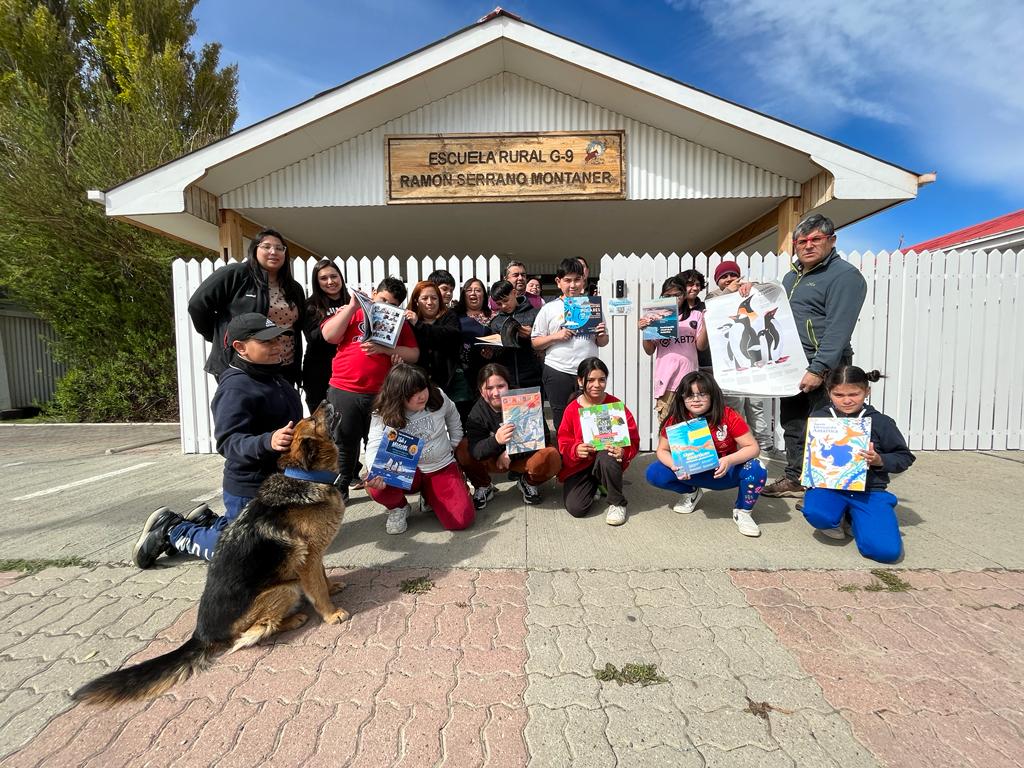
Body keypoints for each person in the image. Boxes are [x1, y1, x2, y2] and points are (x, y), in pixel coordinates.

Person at [132, 313, 302, 568]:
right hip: (250, 487)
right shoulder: (236, 387)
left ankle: (208, 523)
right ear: (240, 347)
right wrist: (268, 441)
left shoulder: (274, 375)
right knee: (244, 558)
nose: (278, 346)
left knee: (279, 545)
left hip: (278, 482)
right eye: (267, 342)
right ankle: (173, 530)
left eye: (278, 340)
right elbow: (229, 442)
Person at [747, 214, 868, 498]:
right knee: (794, 424)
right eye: (802, 241)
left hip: (824, 367)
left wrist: (819, 368)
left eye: (816, 239)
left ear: (831, 241)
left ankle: (826, 491)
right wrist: (750, 290)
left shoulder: (844, 277)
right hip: (792, 365)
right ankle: (796, 477)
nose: (808, 246)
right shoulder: (792, 277)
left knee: (827, 428)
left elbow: (839, 329)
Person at [801, 366, 915, 562]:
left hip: (870, 490)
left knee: (886, 553)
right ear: (829, 393)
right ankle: (839, 517)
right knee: (816, 512)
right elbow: (809, 452)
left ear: (867, 392)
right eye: (839, 394)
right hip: (830, 487)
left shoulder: (881, 422)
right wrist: (807, 472)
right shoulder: (819, 418)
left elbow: (904, 456)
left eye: (854, 394)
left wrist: (880, 460)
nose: (846, 400)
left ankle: (861, 516)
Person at [322, 276, 419, 499]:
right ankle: (340, 487)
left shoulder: (399, 323)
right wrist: (353, 306)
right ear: (374, 292)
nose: (386, 306)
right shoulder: (353, 312)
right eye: (383, 299)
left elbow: (414, 354)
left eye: (393, 305)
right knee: (343, 441)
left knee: (383, 441)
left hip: (382, 392)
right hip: (344, 388)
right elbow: (329, 335)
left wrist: (385, 350)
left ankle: (387, 492)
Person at [645, 370, 768, 537]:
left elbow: (752, 447)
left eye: (702, 394)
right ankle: (690, 492)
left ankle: (743, 511)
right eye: (690, 395)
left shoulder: (728, 415)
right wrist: (675, 466)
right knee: (654, 472)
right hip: (692, 472)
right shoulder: (676, 419)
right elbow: (662, 450)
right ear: (682, 397)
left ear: (712, 395)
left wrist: (729, 460)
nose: (696, 399)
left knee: (756, 468)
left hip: (723, 473)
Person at [364, 364, 475, 534]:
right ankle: (398, 508)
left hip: (440, 466)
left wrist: (454, 441)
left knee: (461, 520)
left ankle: (430, 496)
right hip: (406, 470)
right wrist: (375, 470)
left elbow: (452, 414)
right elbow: (374, 443)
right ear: (398, 395)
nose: (421, 396)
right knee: (375, 486)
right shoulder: (383, 413)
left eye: (423, 388)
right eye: (412, 394)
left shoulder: (438, 396)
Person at [188, 229, 306, 384]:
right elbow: (197, 305)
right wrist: (223, 339)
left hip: (284, 366)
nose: (273, 252)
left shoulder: (294, 288)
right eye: (266, 246)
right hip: (244, 366)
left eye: (279, 248)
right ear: (255, 249)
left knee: (285, 408)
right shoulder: (235, 274)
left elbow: (297, 326)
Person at [456, 363, 562, 508]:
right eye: (489, 388)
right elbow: (476, 451)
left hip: (523, 457)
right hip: (494, 459)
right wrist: (496, 440)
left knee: (551, 455)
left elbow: (543, 436)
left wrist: (510, 453)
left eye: (500, 386)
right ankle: (483, 485)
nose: (496, 393)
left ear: (508, 385)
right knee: (463, 448)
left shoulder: (526, 400)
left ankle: (528, 482)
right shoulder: (477, 413)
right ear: (481, 391)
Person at [556, 357, 639, 525]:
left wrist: (624, 452)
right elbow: (563, 439)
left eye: (602, 380)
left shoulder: (615, 405)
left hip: (605, 460)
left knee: (607, 456)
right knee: (576, 508)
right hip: (580, 465)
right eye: (591, 380)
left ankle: (617, 502)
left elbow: (632, 438)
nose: (597, 385)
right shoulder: (572, 409)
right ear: (580, 381)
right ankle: (598, 484)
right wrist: (575, 449)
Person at [705, 260, 776, 453]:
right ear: (717, 281)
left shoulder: (750, 291)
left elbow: (771, 296)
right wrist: (729, 292)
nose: (729, 279)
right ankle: (738, 447)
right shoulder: (713, 296)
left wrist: (751, 287)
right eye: (723, 276)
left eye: (732, 275)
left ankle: (765, 447)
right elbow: (711, 308)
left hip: (754, 360)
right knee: (733, 406)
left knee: (757, 404)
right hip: (729, 363)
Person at [531, 258, 609, 430]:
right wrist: (556, 336)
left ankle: (592, 456)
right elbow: (535, 342)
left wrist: (601, 334)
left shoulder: (592, 307)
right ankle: (565, 456)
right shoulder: (549, 309)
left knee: (592, 419)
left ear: (583, 281)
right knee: (562, 421)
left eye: (577, 280)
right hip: (558, 370)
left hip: (588, 371)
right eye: (567, 280)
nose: (572, 285)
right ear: (559, 282)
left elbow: (603, 342)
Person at [639, 274, 708, 424]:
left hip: (690, 380)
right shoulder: (655, 317)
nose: (674, 299)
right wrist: (645, 331)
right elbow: (649, 350)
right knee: (667, 425)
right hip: (666, 380)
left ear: (684, 294)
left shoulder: (695, 315)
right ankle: (666, 449)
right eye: (668, 295)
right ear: (662, 296)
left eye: (677, 295)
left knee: (693, 424)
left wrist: (706, 324)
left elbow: (701, 346)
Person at [302, 258, 351, 413]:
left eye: (334, 276)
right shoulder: (310, 305)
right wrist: (338, 321)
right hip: (319, 371)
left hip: (347, 369)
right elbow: (314, 338)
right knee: (321, 422)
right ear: (317, 282)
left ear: (340, 277)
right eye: (323, 278)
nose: (330, 281)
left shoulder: (352, 302)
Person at [405, 280, 464, 396]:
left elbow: (451, 334)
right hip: (417, 384)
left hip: (449, 384)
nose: (430, 302)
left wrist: (419, 325)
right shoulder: (408, 322)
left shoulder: (449, 316)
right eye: (424, 298)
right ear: (416, 301)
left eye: (434, 298)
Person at [488, 279, 543, 390]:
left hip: (534, 377)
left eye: (506, 300)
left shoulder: (535, 314)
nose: (503, 306)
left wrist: (532, 335)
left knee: (534, 408)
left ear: (514, 293)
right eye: (499, 304)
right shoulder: (495, 322)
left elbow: (545, 341)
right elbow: (494, 355)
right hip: (507, 380)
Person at [453, 277, 494, 423]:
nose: (473, 293)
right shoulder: (455, 316)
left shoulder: (494, 317)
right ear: (463, 294)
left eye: (478, 290)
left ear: (484, 294)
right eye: (469, 290)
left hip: (487, 372)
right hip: (461, 372)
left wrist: (492, 352)